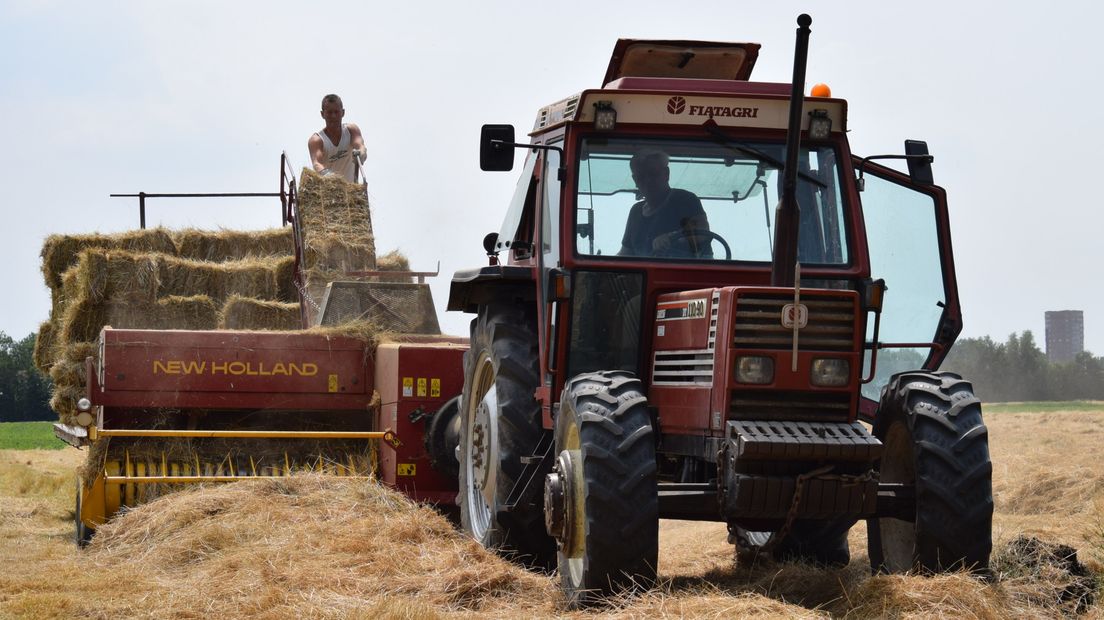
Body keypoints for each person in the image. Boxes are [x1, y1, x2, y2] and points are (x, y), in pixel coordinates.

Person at [619, 150, 712, 258]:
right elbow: (625, 253)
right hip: (646, 274)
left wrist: (670, 237)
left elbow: (702, 232)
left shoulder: (685, 200)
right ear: (635, 180)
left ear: (666, 174)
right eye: (641, 177)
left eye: (653, 174)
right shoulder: (635, 211)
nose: (648, 181)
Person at [308, 94, 366, 182]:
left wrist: (361, 153)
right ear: (322, 114)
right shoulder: (317, 140)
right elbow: (317, 163)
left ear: (343, 113)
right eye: (329, 112)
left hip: (351, 191)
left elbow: (360, 145)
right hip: (329, 190)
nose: (333, 116)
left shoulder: (351, 130)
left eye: (336, 112)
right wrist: (329, 176)